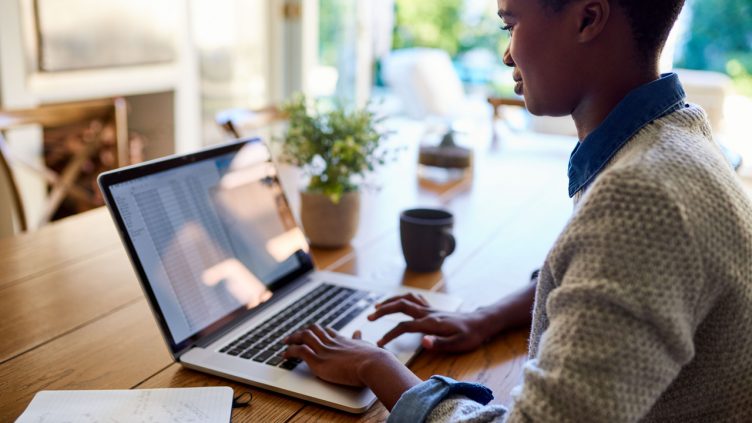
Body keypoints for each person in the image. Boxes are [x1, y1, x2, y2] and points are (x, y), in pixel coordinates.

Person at [283, 0, 752, 420]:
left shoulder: (643, 200)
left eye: (511, 25)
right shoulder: (678, 139)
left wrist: (375, 366)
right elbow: (601, 278)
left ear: (588, 18)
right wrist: (484, 317)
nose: (507, 54)